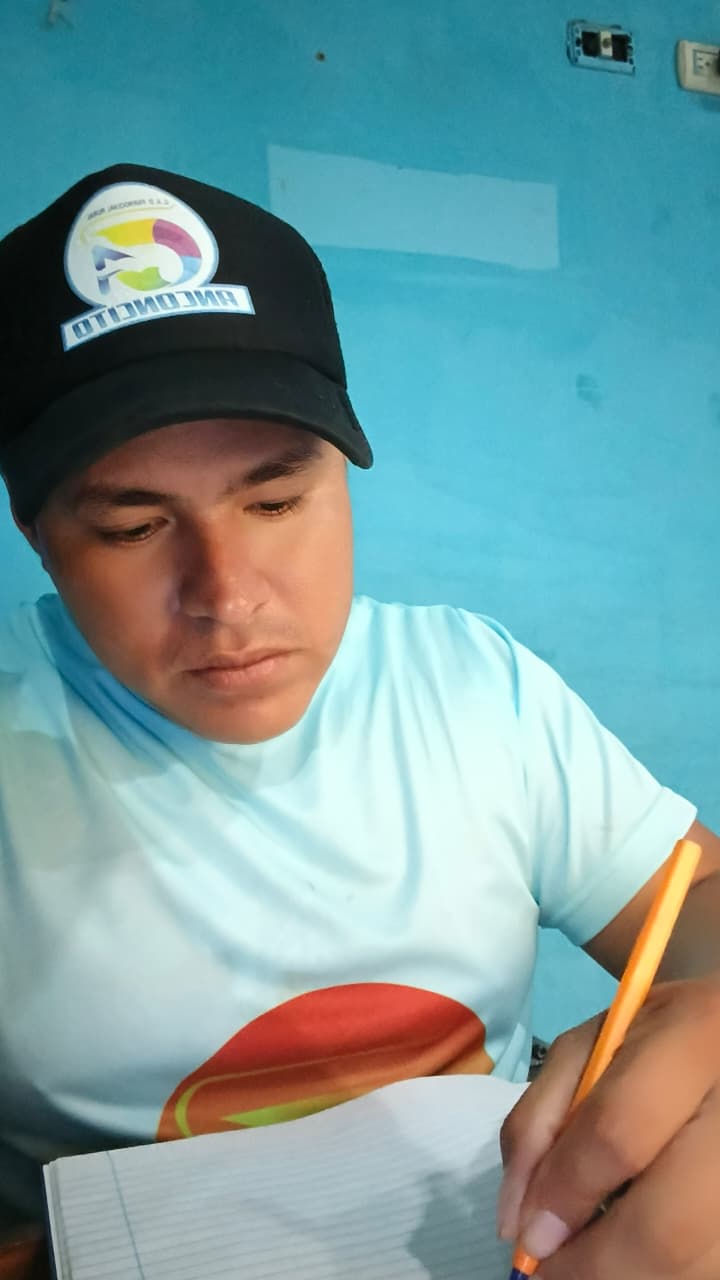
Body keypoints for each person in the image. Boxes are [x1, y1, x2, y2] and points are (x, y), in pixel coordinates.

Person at [0, 164, 718, 1280]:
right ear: (39, 538)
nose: (228, 595)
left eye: (276, 501)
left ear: (341, 476)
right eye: (135, 528)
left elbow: (693, 896)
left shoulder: (473, 685)